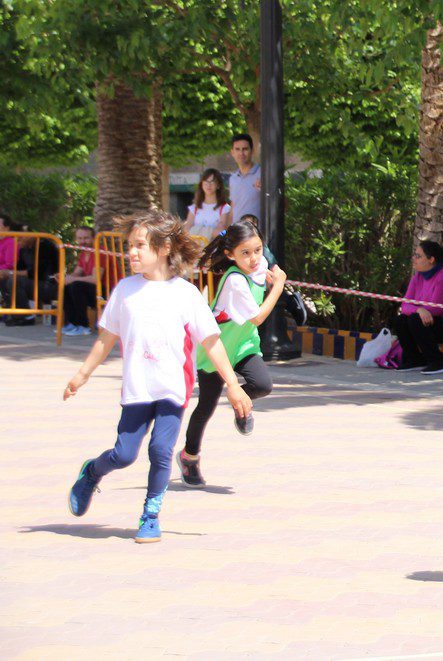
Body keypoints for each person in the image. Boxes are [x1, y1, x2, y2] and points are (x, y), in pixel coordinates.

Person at [63, 210, 253, 543]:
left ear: (164, 247)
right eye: (129, 246)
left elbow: (211, 342)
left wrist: (234, 386)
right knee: (124, 454)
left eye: (139, 245)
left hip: (172, 389)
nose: (131, 253)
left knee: (161, 451)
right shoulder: (124, 291)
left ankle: (150, 515)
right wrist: (82, 374)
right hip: (138, 388)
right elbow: (106, 339)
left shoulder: (186, 294)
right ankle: (92, 471)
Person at [178, 220, 286, 487]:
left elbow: (262, 276)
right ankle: (189, 457)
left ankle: (241, 402)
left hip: (245, 345)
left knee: (262, 385)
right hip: (218, 349)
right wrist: (279, 287)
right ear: (230, 255)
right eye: (245, 253)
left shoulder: (259, 266)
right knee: (206, 406)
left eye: (257, 250)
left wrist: (270, 279)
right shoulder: (235, 280)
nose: (253, 259)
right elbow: (258, 318)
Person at [390, 240, 443, 374]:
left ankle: (438, 362)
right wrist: (418, 309)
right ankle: (415, 359)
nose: (414, 259)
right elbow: (405, 304)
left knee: (415, 320)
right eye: (414, 255)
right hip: (431, 320)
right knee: (401, 320)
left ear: (431, 259)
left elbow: (434, 310)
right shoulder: (417, 276)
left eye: (418, 256)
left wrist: (418, 310)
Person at [62, 226, 99, 336]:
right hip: (92, 290)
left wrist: (73, 279)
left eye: (86, 238)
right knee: (66, 285)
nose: (83, 241)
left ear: (93, 238)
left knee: (76, 286)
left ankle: (83, 326)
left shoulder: (99, 252)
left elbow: (95, 279)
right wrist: (65, 278)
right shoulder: (84, 253)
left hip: (107, 291)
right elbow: (76, 273)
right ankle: (72, 324)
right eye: (80, 238)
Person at [183, 168, 233, 242]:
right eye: (206, 181)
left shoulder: (225, 208)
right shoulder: (194, 208)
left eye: (212, 182)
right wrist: (211, 232)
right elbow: (186, 231)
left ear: (218, 185)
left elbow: (224, 232)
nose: (208, 185)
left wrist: (197, 230)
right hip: (196, 250)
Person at [228, 133, 262, 223]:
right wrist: (226, 232)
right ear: (232, 152)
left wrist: (267, 188)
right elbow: (233, 207)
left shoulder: (263, 174)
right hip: (237, 233)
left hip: (258, 233)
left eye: (245, 149)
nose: (241, 153)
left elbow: (281, 203)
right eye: (237, 149)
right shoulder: (233, 178)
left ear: (252, 151)